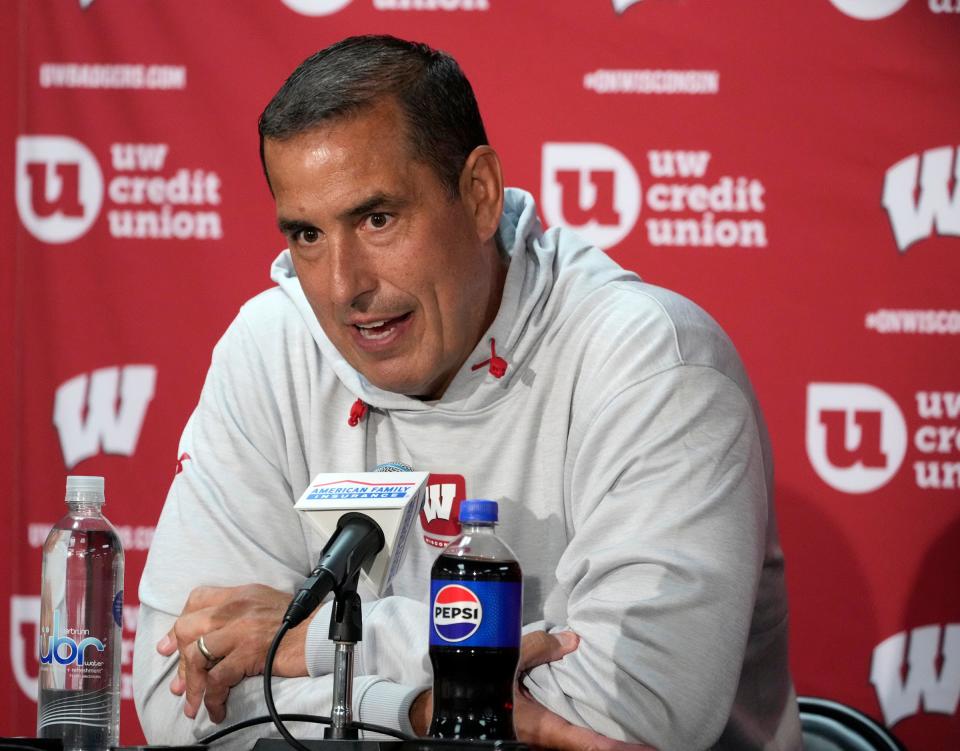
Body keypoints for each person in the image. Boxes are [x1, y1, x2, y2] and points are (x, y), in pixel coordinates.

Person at [133, 35, 802, 751]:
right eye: (307, 234)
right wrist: (419, 710)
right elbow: (181, 700)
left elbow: (627, 715)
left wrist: (314, 642)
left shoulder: (653, 363)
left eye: (377, 219)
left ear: (479, 194)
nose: (341, 286)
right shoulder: (269, 349)